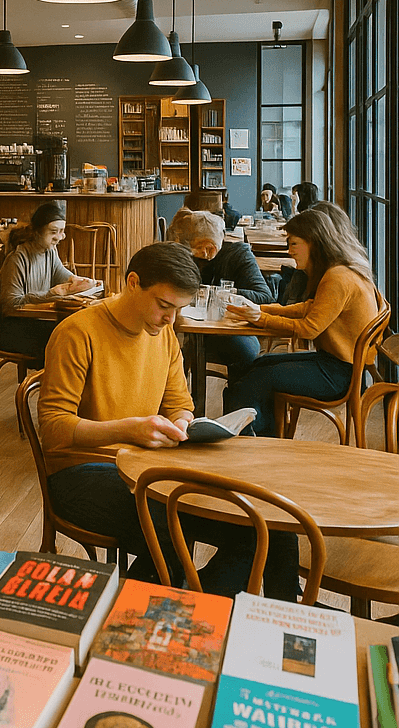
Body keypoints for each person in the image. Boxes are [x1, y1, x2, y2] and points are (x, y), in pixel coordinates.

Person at [39, 242, 298, 599]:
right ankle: (174, 606)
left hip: (146, 468)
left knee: (268, 524)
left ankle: (277, 617)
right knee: (171, 524)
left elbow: (180, 403)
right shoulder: (77, 333)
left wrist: (183, 423)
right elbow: (53, 428)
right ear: (133, 283)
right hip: (80, 471)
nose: (171, 319)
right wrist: (130, 429)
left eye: (179, 309)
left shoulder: (162, 334)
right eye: (164, 305)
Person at [224, 208, 379, 436]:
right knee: (258, 365)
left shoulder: (337, 277)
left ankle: (247, 441)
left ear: (313, 243)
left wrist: (262, 318)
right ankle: (265, 438)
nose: (289, 251)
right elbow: (311, 308)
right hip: (342, 367)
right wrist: (261, 309)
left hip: (338, 375)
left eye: (294, 244)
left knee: (257, 377)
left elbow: (309, 329)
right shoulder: (343, 270)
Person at [166, 208, 274, 379]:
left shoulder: (238, 255)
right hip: (192, 330)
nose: (189, 256)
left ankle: (237, 402)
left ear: (209, 248)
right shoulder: (185, 255)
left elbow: (265, 297)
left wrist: (221, 294)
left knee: (244, 353)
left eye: (193, 250)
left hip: (233, 332)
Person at [0, 200, 96, 365]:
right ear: (37, 232)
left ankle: (69, 388)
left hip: (34, 320)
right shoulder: (18, 258)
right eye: (54, 231)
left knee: (80, 334)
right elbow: (10, 305)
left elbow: (58, 271)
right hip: (13, 329)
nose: (59, 237)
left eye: (62, 231)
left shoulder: (49, 250)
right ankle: (56, 388)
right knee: (69, 341)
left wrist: (74, 279)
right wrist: (51, 294)